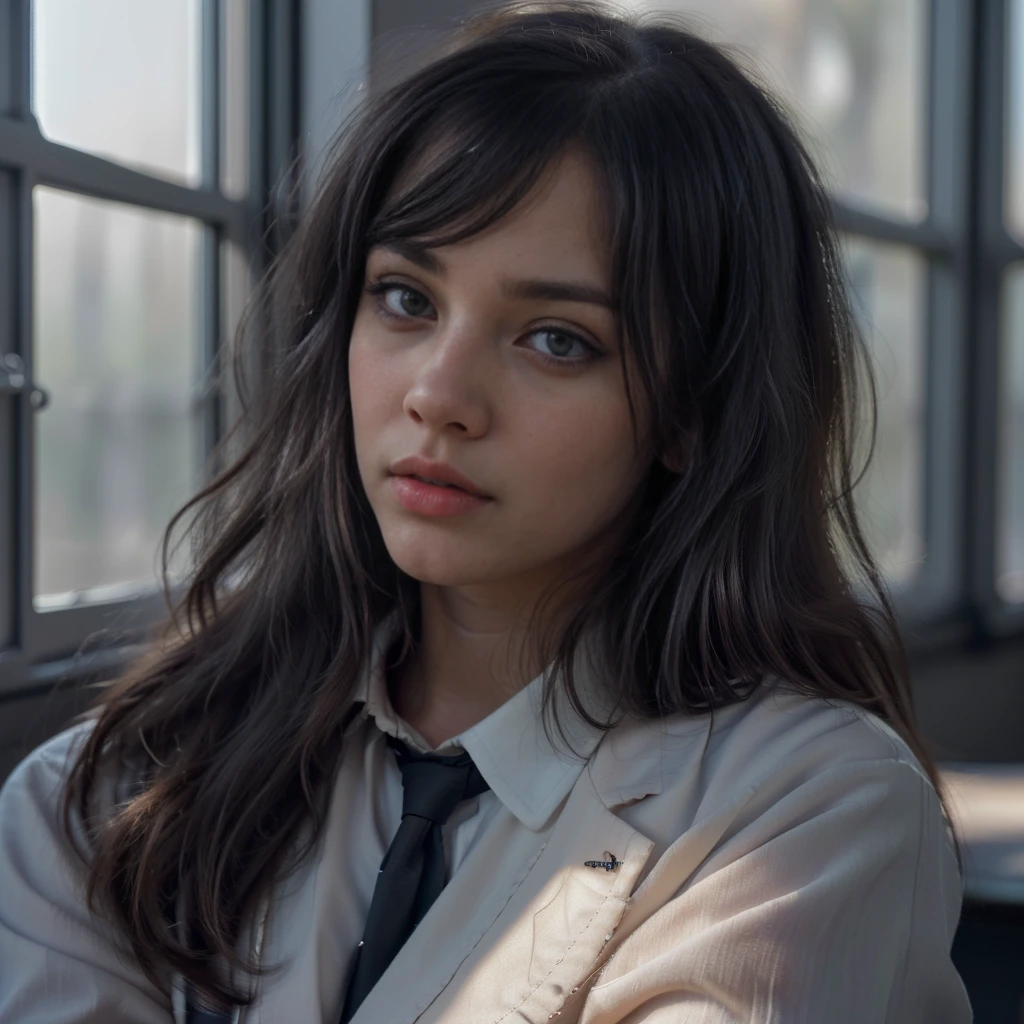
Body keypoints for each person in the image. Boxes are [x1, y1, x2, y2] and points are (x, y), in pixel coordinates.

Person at [0, 2, 973, 1022]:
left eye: (556, 339)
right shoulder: (118, 791)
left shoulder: (812, 815)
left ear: (692, 409)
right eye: (406, 298)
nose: (438, 393)